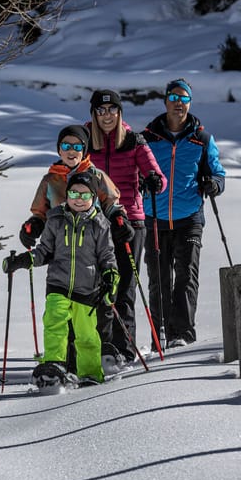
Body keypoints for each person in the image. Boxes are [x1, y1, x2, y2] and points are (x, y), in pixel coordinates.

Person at [4, 171, 119, 386]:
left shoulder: (100, 224)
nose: (79, 199)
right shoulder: (56, 218)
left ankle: (90, 373)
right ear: (67, 194)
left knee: (86, 335)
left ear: (94, 197)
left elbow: (107, 255)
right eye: (74, 193)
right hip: (58, 284)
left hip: (87, 289)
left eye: (85, 195)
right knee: (54, 324)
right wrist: (23, 260)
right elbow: (44, 251)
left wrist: (110, 276)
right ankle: (54, 366)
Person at [140, 78, 227, 349]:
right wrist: (143, 182)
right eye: (174, 98)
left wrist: (213, 184)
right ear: (165, 101)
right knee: (159, 280)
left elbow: (218, 174)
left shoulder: (201, 140)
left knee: (187, 277)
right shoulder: (148, 137)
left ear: (190, 103)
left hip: (189, 218)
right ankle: (160, 337)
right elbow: (136, 172)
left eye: (184, 98)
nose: (179, 103)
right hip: (154, 217)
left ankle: (183, 335)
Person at [84, 89, 165, 365]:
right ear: (94, 114)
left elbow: (157, 176)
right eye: (101, 111)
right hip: (94, 221)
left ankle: (124, 348)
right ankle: (99, 346)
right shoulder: (84, 139)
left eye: (112, 110)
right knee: (97, 286)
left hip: (129, 222)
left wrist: (153, 179)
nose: (107, 116)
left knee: (125, 287)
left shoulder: (133, 140)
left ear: (120, 113)